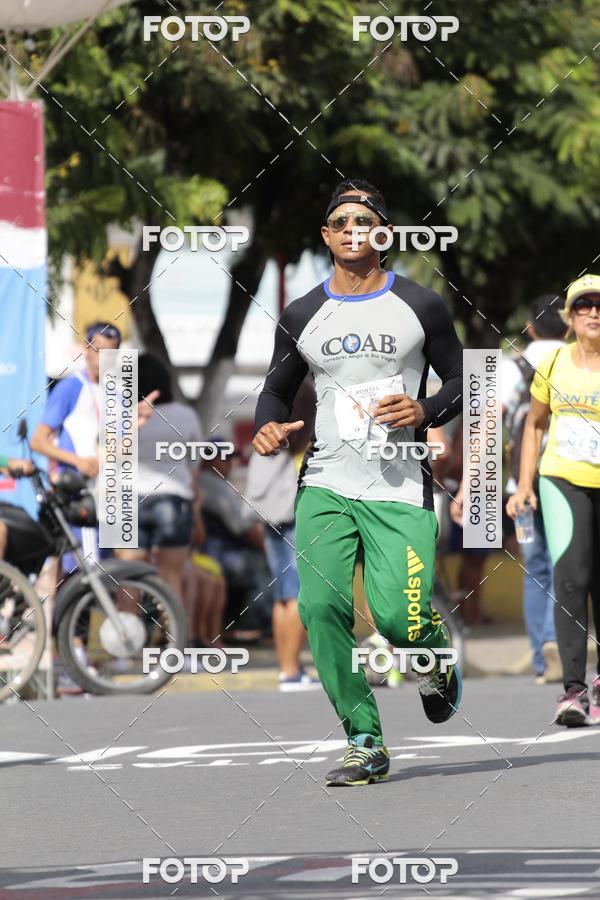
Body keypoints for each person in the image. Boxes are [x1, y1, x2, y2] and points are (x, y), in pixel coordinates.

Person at [252, 178, 464, 786]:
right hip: (326, 481)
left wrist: (426, 410)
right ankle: (364, 740)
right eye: (340, 222)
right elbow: (274, 390)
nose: (352, 231)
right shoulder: (301, 314)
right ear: (326, 235)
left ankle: (434, 660)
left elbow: (465, 380)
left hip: (399, 485)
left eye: (363, 221)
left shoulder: (421, 305)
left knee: (399, 620)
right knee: (320, 606)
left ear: (384, 234)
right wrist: (268, 426)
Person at [507, 274, 600, 726]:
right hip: (562, 479)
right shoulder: (554, 363)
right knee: (570, 578)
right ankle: (573, 690)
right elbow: (535, 425)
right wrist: (525, 484)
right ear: (569, 317)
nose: (593, 313)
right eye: (584, 305)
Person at [503, 296, 566, 683]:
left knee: (536, 570)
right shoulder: (577, 362)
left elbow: (484, 426)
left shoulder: (510, 368)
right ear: (569, 325)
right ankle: (555, 642)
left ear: (529, 328)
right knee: (565, 566)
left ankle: (542, 661)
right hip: (567, 482)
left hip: (520, 487)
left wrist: (473, 489)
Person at [246, 379, 321, 691]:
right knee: (297, 594)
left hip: (269, 519)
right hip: (294, 519)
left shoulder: (267, 435)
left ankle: (287, 668)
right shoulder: (299, 440)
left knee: (283, 595)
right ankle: (291, 671)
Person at [30, 322, 122, 566]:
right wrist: (78, 462)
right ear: (86, 349)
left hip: (108, 494)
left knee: (107, 571)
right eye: (99, 350)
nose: (104, 359)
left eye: (111, 352)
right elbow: (38, 441)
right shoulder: (71, 387)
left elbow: (121, 446)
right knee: (85, 571)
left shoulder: (118, 394)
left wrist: (136, 424)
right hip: (78, 493)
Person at [115, 353, 202, 600]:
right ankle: (172, 625)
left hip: (129, 499)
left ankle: (126, 625)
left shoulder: (124, 416)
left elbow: (111, 458)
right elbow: (194, 470)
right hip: (174, 500)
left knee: (128, 577)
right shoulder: (186, 415)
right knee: (171, 576)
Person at [200, 443, 274, 641]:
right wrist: (268, 548)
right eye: (224, 458)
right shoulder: (211, 483)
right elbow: (243, 528)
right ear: (208, 460)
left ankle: (239, 623)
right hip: (214, 553)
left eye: (230, 458)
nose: (229, 463)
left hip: (216, 550)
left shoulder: (216, 482)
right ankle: (254, 624)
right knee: (264, 564)